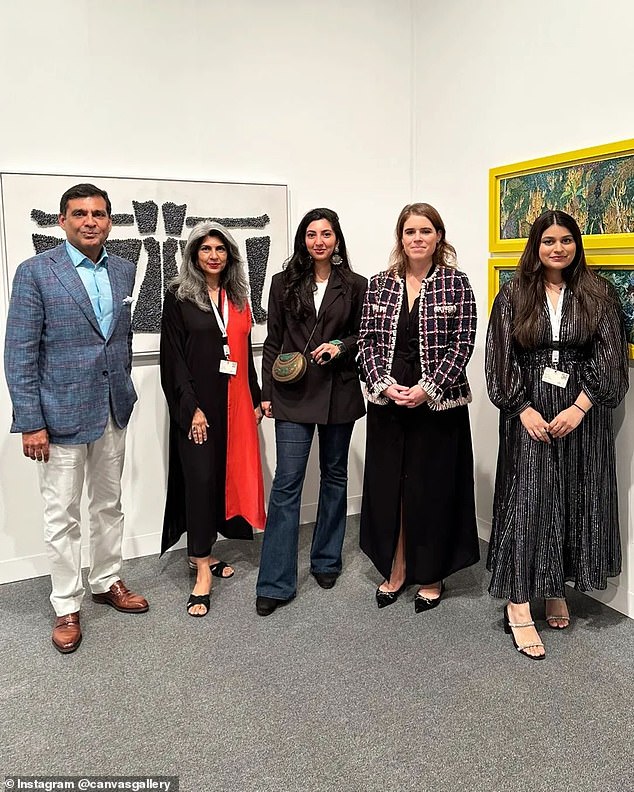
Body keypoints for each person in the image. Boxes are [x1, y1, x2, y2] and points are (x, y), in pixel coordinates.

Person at [4, 183, 148, 654]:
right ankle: (66, 603)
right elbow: (20, 351)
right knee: (61, 515)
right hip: (58, 415)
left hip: (112, 408)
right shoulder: (36, 273)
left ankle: (107, 580)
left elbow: (117, 342)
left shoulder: (124, 270)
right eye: (80, 213)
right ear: (62, 221)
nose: (91, 221)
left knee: (109, 505)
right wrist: (30, 420)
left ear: (110, 221)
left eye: (100, 213)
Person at [486, 209, 628, 659]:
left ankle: (555, 587)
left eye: (566, 240)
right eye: (549, 240)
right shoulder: (513, 294)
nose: (557, 248)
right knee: (528, 502)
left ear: (576, 244)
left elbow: (611, 360)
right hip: (528, 410)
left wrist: (581, 407)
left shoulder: (599, 293)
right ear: (536, 245)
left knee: (573, 498)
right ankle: (519, 602)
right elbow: (499, 357)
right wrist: (521, 408)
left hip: (580, 413)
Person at [357, 202, 479, 612]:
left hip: (439, 404)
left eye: (425, 231)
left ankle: (431, 573)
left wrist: (428, 387)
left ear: (438, 237)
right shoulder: (379, 284)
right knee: (393, 487)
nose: (417, 239)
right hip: (388, 400)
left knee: (432, 489)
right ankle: (397, 565)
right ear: (401, 238)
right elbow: (367, 342)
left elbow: (462, 344)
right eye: (410, 232)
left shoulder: (457, 284)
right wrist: (384, 384)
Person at [255, 208, 367, 616]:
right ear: (303, 239)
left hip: (339, 391)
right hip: (292, 393)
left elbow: (364, 334)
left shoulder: (356, 285)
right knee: (287, 484)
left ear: (337, 239)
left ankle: (326, 560)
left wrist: (341, 346)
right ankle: (275, 582)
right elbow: (274, 340)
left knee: (335, 477)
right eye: (311, 234)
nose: (319, 241)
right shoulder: (282, 282)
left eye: (326, 234)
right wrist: (266, 392)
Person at [160, 221, 265, 617]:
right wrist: (192, 410)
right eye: (205, 249)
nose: (214, 255)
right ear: (193, 255)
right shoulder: (179, 297)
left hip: (236, 405)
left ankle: (201, 551)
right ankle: (202, 568)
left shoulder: (238, 297)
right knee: (201, 482)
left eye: (220, 249)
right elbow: (173, 361)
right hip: (199, 410)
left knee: (223, 478)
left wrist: (256, 400)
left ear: (230, 255)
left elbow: (242, 352)